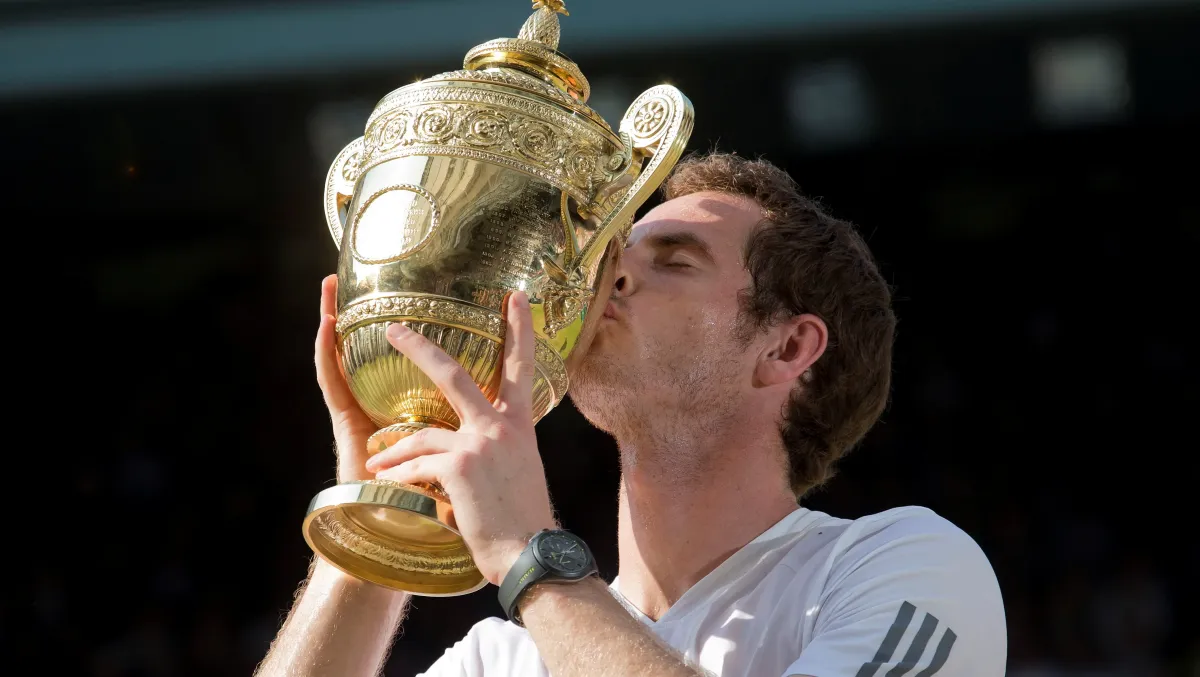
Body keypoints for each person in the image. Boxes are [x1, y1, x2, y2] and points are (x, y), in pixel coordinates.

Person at [255, 152, 1006, 677]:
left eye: (673, 261)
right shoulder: (505, 657)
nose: (606, 283)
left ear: (786, 348)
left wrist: (532, 556)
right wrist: (377, 525)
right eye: (611, 261)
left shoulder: (905, 567)